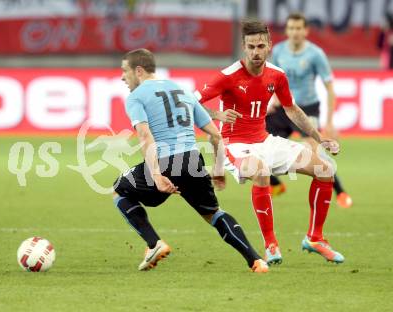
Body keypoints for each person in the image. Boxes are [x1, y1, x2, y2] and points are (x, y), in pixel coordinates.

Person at [195, 20, 345, 265]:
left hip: (265, 141)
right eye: (251, 46)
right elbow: (188, 103)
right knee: (261, 171)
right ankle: (271, 244)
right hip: (235, 146)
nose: (256, 52)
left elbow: (292, 109)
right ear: (244, 47)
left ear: (269, 46)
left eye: (260, 46)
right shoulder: (228, 76)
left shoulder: (277, 75)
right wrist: (216, 115)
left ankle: (315, 238)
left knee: (325, 169)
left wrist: (321, 138)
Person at [113, 48, 268, 273]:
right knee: (213, 213)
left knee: (119, 191)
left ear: (138, 70)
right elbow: (215, 134)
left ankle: (154, 243)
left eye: (124, 71)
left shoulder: (136, 97)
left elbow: (145, 136)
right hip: (192, 161)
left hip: (165, 160)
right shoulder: (183, 90)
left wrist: (156, 174)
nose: (122, 77)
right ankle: (256, 260)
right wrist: (217, 169)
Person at [266, 12, 353, 209]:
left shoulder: (315, 54)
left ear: (305, 31)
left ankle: (341, 192)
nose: (295, 32)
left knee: (315, 152)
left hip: (307, 108)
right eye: (291, 28)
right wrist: (272, 101)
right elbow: (274, 81)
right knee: (260, 143)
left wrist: (329, 122)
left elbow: (330, 88)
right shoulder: (278, 51)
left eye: (298, 28)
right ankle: (275, 185)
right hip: (284, 107)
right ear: (287, 31)